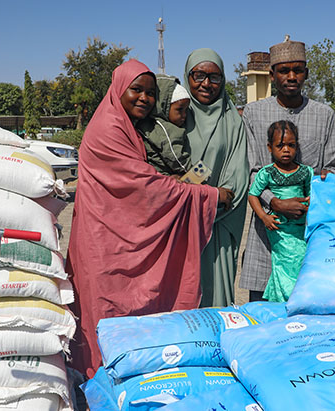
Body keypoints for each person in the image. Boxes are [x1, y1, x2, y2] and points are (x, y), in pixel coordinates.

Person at [65, 59, 234, 376]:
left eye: (151, 93)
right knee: (105, 318)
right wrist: (207, 195)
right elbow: (143, 185)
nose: (145, 98)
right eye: (137, 90)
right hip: (104, 243)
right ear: (119, 90)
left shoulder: (133, 128)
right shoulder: (108, 130)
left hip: (117, 238)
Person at [240, 37, 335, 302]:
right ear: (272, 75)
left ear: (306, 74)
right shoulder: (253, 113)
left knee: (308, 310)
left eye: (298, 70)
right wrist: (276, 203)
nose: (291, 76)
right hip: (268, 229)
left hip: (307, 231)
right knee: (262, 310)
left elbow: (332, 169)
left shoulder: (324, 115)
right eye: (284, 70)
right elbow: (253, 170)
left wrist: (311, 200)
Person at [184, 48, 249, 307]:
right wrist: (192, 193)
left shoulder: (231, 120)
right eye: (199, 75)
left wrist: (197, 196)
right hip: (179, 225)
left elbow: (238, 176)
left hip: (217, 224)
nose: (206, 84)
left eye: (215, 77)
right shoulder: (176, 114)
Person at [247, 121, 313, 302]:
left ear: (297, 147)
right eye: (280, 145)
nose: (286, 150)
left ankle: (294, 299)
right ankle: (286, 299)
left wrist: (306, 208)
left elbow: (311, 196)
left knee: (301, 261)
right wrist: (264, 217)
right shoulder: (266, 172)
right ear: (269, 147)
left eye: (291, 145)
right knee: (286, 261)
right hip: (278, 229)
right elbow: (252, 195)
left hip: (300, 228)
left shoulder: (306, 172)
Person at [137, 74, 192, 177]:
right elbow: (174, 155)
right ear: (164, 106)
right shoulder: (162, 128)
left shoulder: (148, 123)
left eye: (186, 110)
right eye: (179, 110)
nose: (184, 116)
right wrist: (191, 170)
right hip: (163, 175)